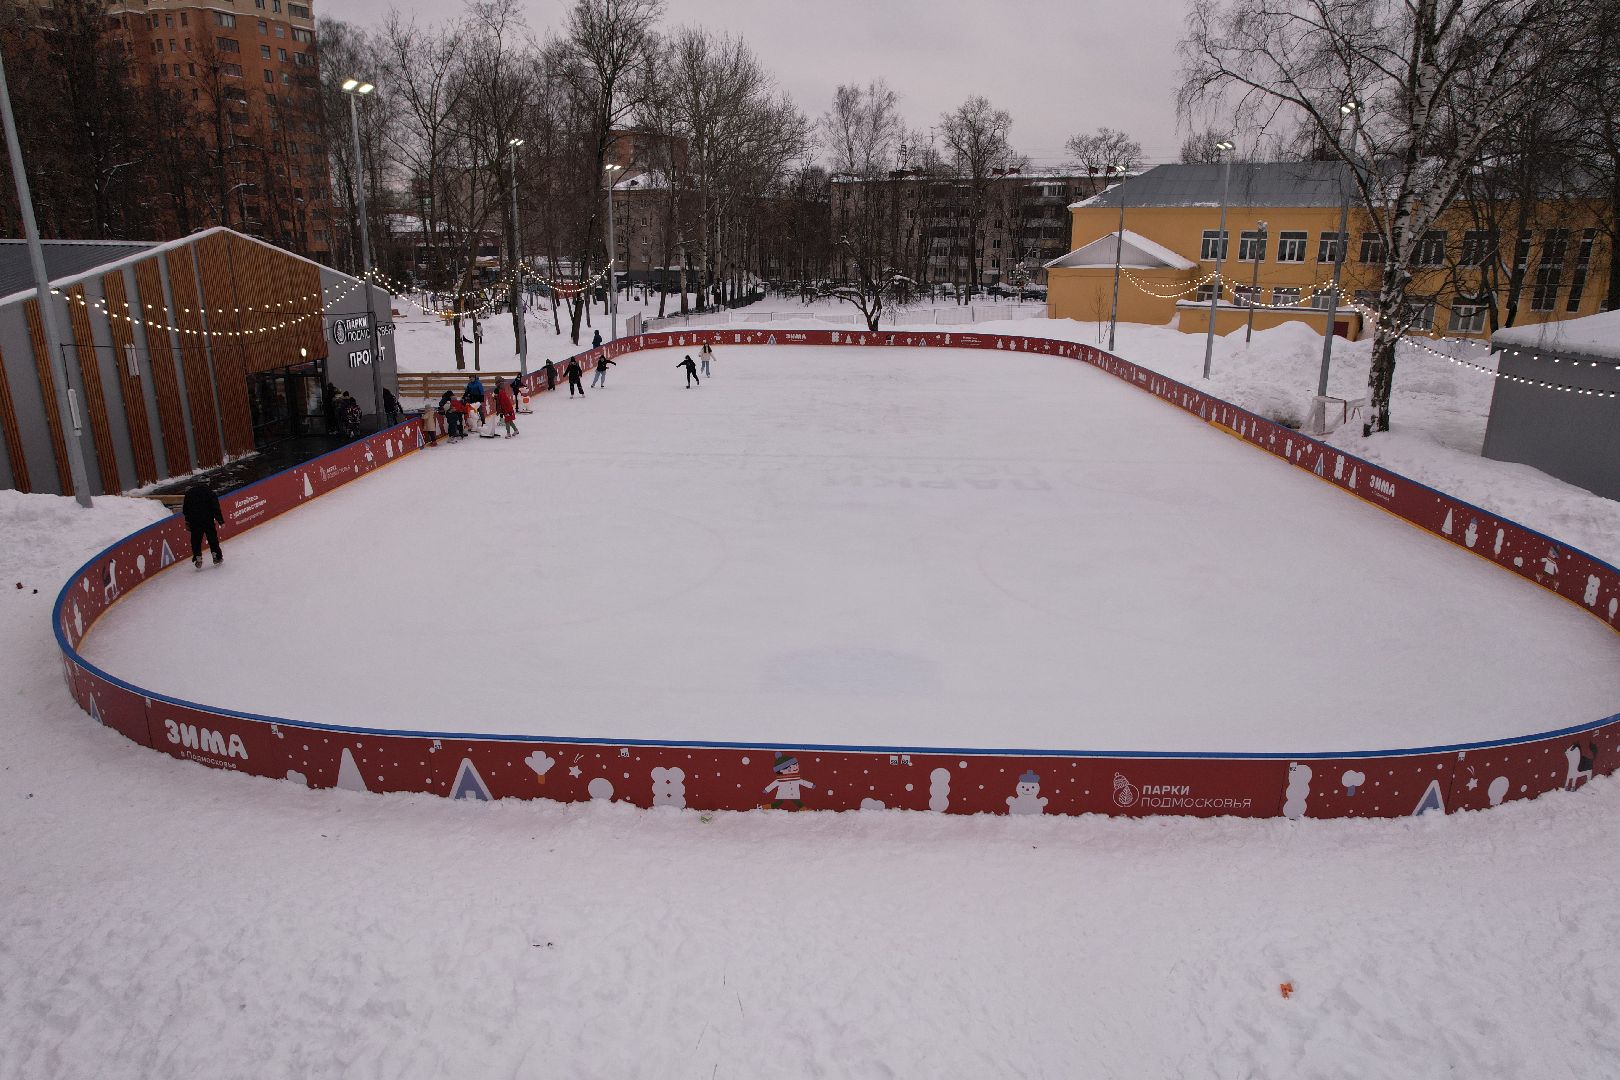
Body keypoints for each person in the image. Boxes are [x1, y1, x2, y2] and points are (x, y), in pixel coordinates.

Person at [181, 479, 224, 568]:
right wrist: (220, 521)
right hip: (208, 520)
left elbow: (185, 509)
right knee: (212, 538)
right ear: (207, 483)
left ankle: (198, 557)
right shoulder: (210, 492)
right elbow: (215, 508)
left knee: (195, 540)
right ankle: (216, 556)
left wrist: (188, 520)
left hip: (194, 522)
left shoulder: (189, 493)